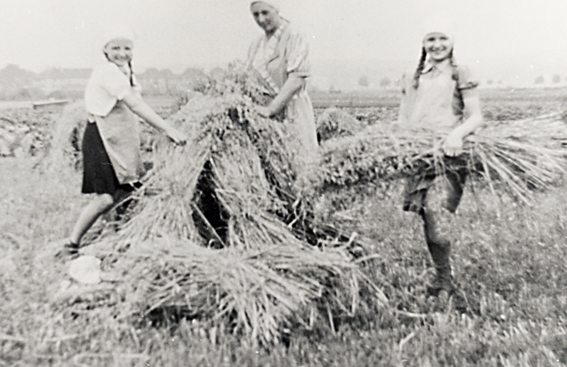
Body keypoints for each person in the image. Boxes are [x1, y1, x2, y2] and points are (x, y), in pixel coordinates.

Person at [57, 25, 188, 258]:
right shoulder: (105, 71)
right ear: (105, 50)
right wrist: (167, 128)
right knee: (105, 198)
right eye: (115, 48)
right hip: (101, 139)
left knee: (126, 192)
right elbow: (135, 105)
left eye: (127, 48)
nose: (121, 53)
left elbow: (134, 110)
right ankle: (72, 243)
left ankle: (116, 235)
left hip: (122, 140)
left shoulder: (126, 72)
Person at [396, 16, 484, 296]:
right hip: (421, 156)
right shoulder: (413, 75)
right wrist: (401, 143)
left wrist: (457, 135)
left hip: (451, 156)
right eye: (430, 39)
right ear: (423, 43)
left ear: (452, 41)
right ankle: (441, 278)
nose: (437, 45)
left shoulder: (461, 72)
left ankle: (445, 279)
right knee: (427, 217)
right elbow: (404, 117)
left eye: (442, 38)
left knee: (437, 214)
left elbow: (476, 117)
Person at [246, 0, 318, 172]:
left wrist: (271, 109)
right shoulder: (256, 44)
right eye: (256, 14)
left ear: (276, 10)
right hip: (265, 116)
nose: (261, 19)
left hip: (290, 109)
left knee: (299, 165)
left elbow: (296, 78)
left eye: (265, 13)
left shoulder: (294, 36)